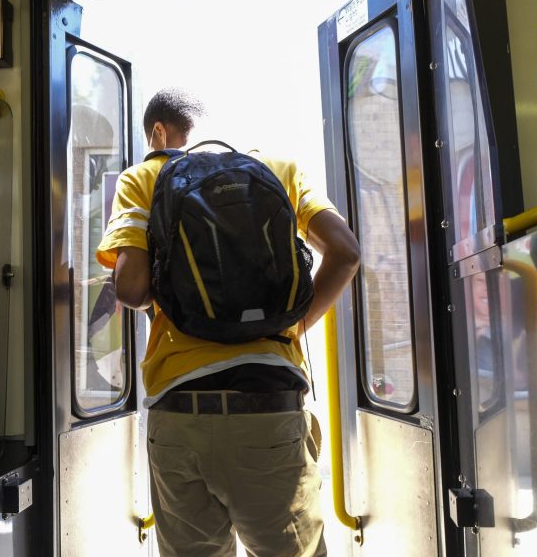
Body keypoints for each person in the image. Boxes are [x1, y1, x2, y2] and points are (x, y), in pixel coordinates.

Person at [96, 88, 360, 556]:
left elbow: (132, 289)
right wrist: (293, 327)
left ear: (158, 132)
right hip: (268, 404)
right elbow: (345, 253)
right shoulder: (278, 171)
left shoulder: (143, 177)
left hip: (179, 411)